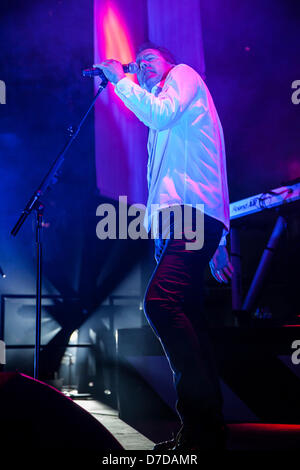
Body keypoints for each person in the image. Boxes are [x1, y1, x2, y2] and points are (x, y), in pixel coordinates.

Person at [95, 42, 233, 451]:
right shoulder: (163, 107)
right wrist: (218, 236)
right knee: (188, 315)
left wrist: (120, 81)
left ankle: (201, 423)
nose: (141, 66)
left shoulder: (184, 76)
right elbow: (203, 162)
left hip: (191, 216)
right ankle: (207, 429)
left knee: (160, 303)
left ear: (169, 61)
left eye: (148, 59)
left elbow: (160, 114)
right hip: (177, 223)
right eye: (137, 64)